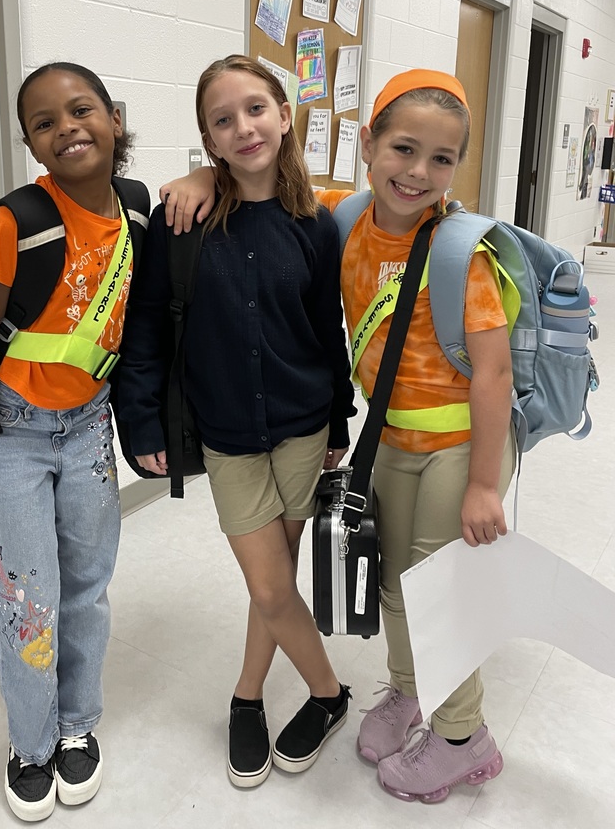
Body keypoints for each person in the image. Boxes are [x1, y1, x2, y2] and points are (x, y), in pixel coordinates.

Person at [161, 69, 516, 804]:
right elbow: (253, 174)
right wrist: (200, 170)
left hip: (457, 446)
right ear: (367, 147)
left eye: (441, 160)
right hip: (387, 442)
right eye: (402, 150)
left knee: (437, 591)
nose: (417, 173)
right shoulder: (342, 217)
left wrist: (485, 483)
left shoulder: (459, 251)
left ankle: (462, 738)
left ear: (458, 168)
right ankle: (410, 692)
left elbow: (493, 375)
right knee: (392, 583)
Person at [115, 55, 356, 790]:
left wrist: (340, 421)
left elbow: (327, 330)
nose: (243, 127)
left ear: (285, 116)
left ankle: (246, 696)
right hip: (226, 435)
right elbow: (147, 327)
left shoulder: (316, 225)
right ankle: (329, 693)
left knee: (270, 585)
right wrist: (143, 427)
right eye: (223, 119)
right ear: (209, 140)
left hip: (303, 424)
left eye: (256, 109)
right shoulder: (181, 221)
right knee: (274, 587)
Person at [0, 62, 146, 821]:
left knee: (87, 586)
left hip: (89, 428)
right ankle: (31, 745)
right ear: (30, 142)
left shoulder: (137, 208)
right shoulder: (17, 220)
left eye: (82, 110)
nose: (68, 129)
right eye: (45, 123)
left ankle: (77, 727)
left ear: (114, 119)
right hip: (11, 436)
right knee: (28, 598)